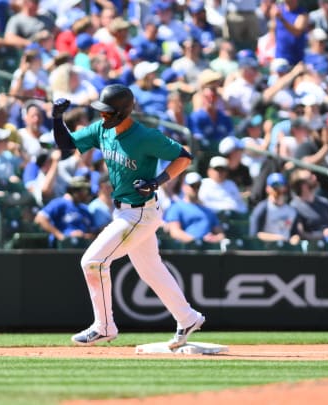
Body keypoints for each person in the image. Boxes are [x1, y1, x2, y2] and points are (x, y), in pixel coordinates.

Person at [52, 84, 206, 349]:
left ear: (123, 112)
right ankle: (188, 317)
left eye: (107, 112)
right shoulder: (103, 129)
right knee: (151, 270)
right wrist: (56, 118)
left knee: (93, 262)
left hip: (140, 213)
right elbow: (66, 144)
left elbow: (184, 156)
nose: (102, 116)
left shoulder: (145, 136)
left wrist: (157, 181)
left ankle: (104, 327)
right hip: (124, 211)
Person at [164, 172, 226, 244]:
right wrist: (195, 240)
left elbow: (220, 234)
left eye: (198, 186)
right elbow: (175, 231)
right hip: (186, 251)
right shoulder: (176, 207)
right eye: (192, 185)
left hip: (208, 251)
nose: (195, 189)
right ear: (184, 186)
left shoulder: (208, 210)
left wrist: (214, 239)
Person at [249, 172, 300, 244]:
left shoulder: (292, 211)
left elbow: (295, 233)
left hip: (287, 250)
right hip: (267, 250)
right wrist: (278, 238)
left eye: (280, 185)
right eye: (274, 186)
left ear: (285, 188)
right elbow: (254, 234)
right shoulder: (263, 208)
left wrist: (295, 238)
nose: (277, 189)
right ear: (267, 188)